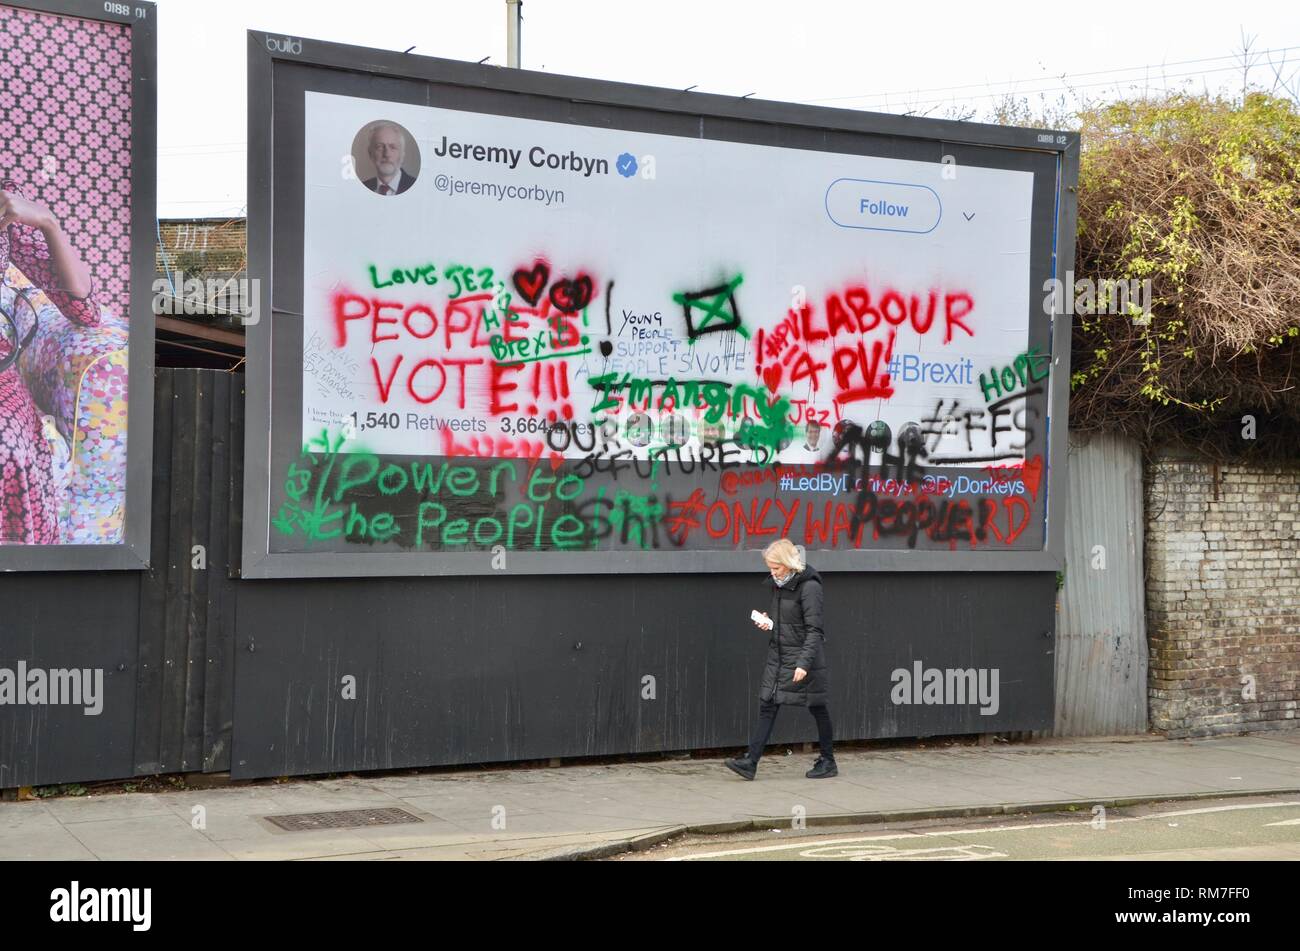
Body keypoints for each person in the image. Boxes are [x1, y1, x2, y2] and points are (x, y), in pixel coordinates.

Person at [0, 178, 99, 543]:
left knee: (5, 446)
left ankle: (17, 579)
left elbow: (84, 310)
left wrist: (47, 221)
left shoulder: (3, 201)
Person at [726, 538, 836, 779]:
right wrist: (769, 624)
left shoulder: (809, 587)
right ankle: (750, 762)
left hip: (802, 659)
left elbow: (815, 630)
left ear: (788, 564)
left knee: (818, 707)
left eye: (776, 568)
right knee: (768, 705)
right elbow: (787, 623)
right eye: (770, 568)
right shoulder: (780, 585)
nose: (772, 573)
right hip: (780, 656)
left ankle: (828, 761)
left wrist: (803, 664)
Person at [362, 123, 416, 195]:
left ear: (402, 155)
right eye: (379, 147)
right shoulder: (362, 187)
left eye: (393, 147)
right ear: (370, 154)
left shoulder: (418, 187)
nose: (386, 154)